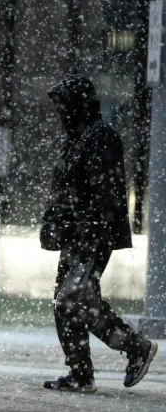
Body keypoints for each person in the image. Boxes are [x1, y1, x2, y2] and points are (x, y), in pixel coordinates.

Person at [40, 74, 156, 392]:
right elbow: (68, 189)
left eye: (64, 106)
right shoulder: (78, 138)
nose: (60, 113)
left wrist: (88, 228)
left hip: (90, 236)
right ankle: (81, 373)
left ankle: (135, 348)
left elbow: (105, 192)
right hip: (75, 235)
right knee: (67, 302)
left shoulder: (99, 137)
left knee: (72, 299)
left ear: (79, 105)